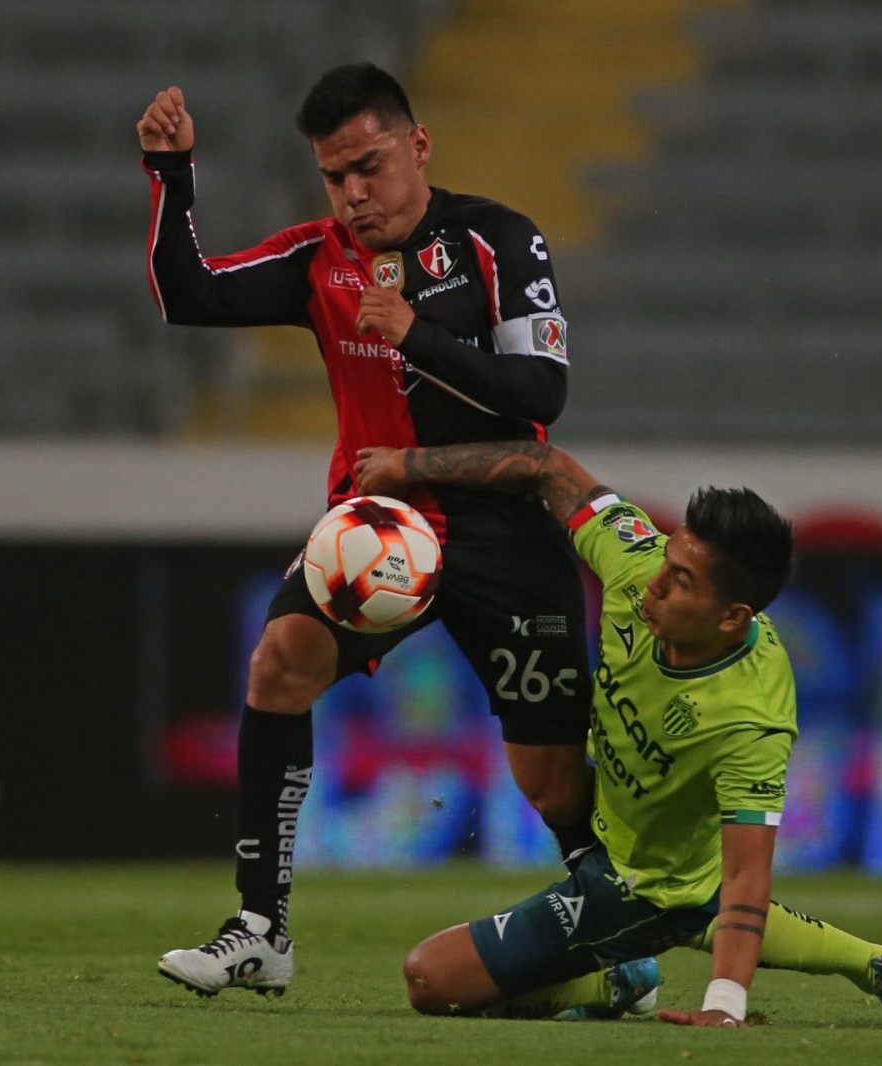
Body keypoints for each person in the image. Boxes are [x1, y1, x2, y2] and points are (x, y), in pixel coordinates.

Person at [139, 64, 595, 996]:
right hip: (380, 531)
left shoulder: (500, 240)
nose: (353, 194)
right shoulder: (319, 258)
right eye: (334, 176)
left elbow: (543, 394)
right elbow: (189, 293)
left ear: (417, 146)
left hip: (506, 530)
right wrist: (172, 177)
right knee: (278, 665)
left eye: (369, 166)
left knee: (549, 779)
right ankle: (261, 925)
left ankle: (618, 905)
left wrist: (414, 333)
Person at [354, 441, 882, 1026]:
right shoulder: (638, 561)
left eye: (682, 580)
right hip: (618, 826)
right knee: (683, 885)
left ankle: (612, 979)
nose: (655, 586)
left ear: (732, 617)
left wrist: (725, 1005)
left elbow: (745, 874)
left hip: (642, 887)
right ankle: (881, 965)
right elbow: (547, 467)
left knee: (429, 978)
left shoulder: (750, 719)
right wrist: (408, 463)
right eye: (668, 560)